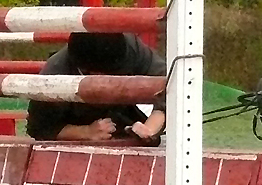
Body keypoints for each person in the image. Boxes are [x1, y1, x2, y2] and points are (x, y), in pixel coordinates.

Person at [25, 31, 166, 143]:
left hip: (122, 116)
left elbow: (170, 81)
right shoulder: (54, 74)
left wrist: (150, 128)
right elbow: (38, 127)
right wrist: (86, 132)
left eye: (114, 74)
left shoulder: (131, 49)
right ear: (86, 71)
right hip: (74, 124)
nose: (108, 84)